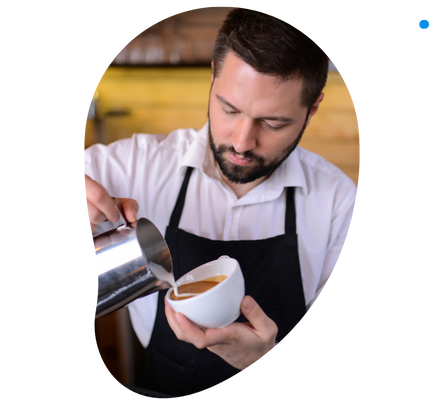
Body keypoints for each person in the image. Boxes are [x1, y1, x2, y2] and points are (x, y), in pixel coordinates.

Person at [83, 6, 359, 398]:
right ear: (212, 79)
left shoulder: (338, 205)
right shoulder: (138, 164)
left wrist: (260, 360)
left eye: (273, 123)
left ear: (312, 109)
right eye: (229, 109)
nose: (243, 142)